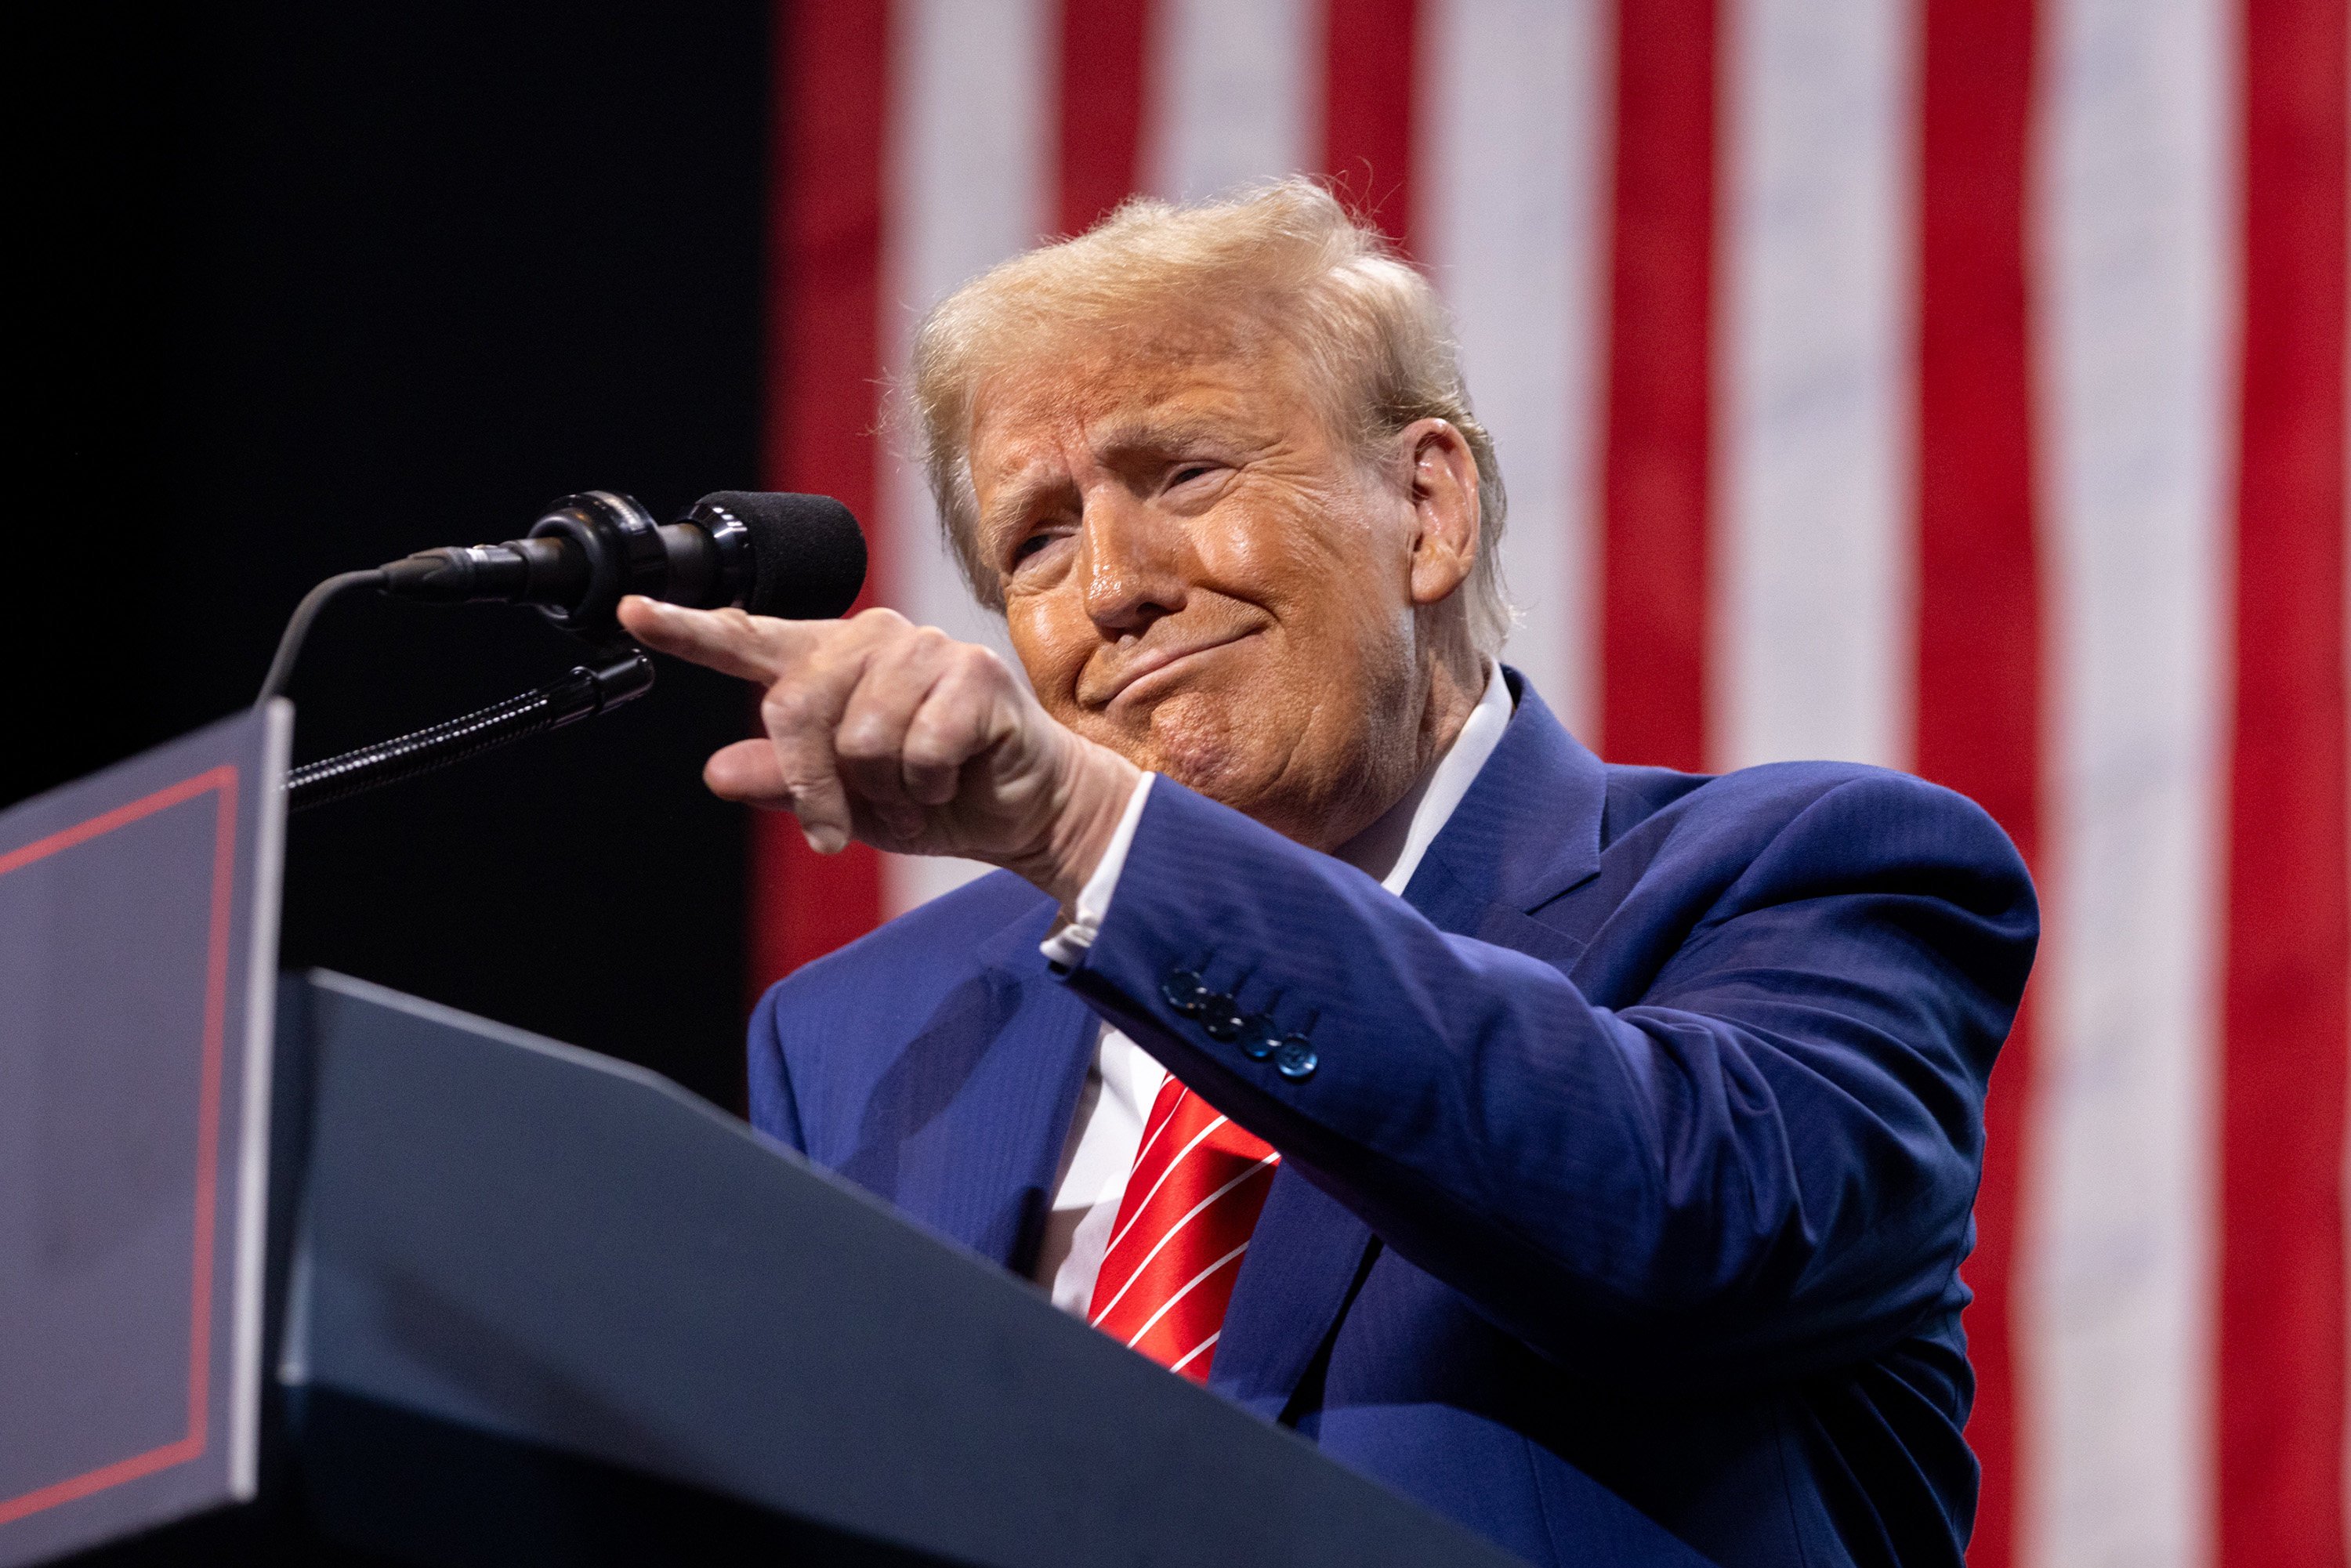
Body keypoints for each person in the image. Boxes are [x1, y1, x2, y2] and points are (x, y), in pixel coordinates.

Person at [617, 180, 2036, 1568]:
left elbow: (1683, 1216)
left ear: (1428, 509)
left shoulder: (1817, 879)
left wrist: (1100, 843)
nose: (1112, 584)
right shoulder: (862, 1032)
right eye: (1036, 538)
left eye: (1186, 472)